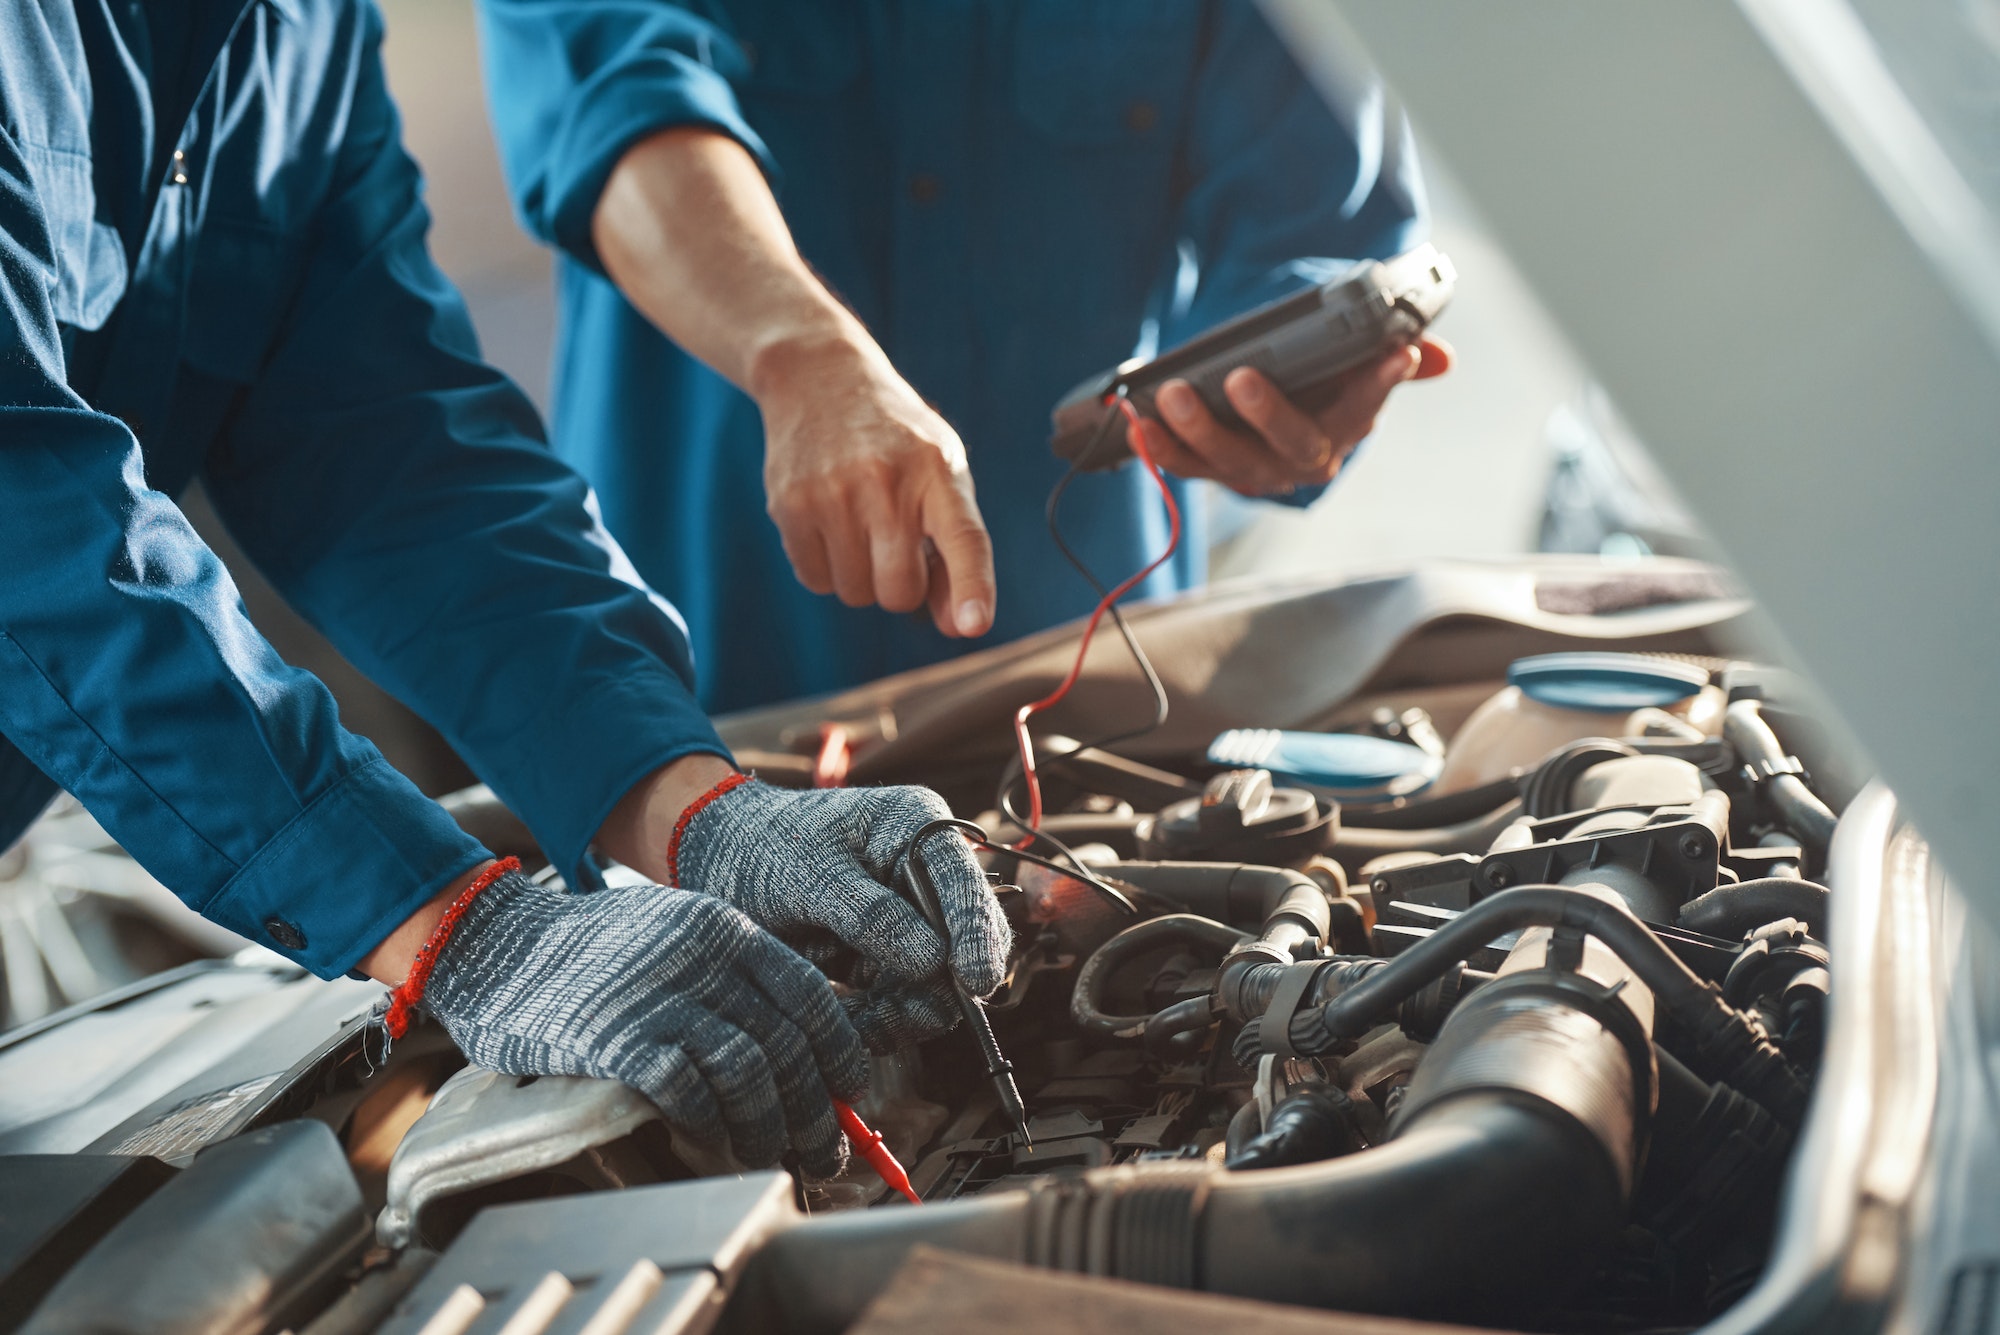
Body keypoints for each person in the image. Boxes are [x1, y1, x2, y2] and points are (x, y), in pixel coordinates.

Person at [0, 0, 1007, 1178]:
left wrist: (691, 808)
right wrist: (451, 929)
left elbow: (392, 450)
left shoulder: (294, 36)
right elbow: (32, 520)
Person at [476, 0, 1452, 714]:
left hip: (1083, 703)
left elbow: (1316, 224)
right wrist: (804, 360)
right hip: (694, 687)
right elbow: (613, 106)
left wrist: (1302, 393)